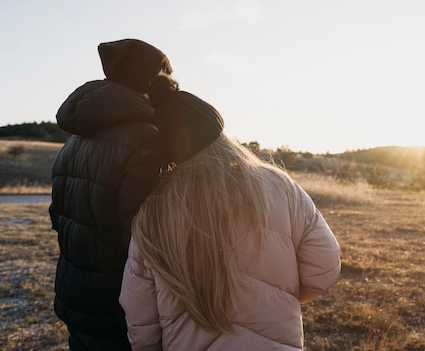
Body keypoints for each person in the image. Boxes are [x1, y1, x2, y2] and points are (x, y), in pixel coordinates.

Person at [119, 75, 341, 351]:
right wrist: (280, 297)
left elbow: (140, 314)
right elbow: (324, 267)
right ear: (220, 132)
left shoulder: (153, 211)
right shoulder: (280, 186)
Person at [49, 38, 173, 351]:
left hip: (74, 288)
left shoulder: (77, 138)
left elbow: (57, 215)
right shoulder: (146, 139)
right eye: (166, 79)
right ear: (149, 81)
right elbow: (141, 239)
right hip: (118, 300)